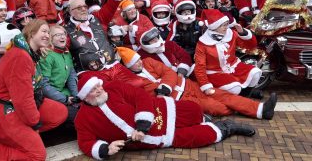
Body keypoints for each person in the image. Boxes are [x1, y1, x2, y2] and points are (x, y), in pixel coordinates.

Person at [74, 75, 256, 159]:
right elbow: (85, 142)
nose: (99, 91)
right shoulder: (82, 119)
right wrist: (105, 149)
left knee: (192, 109)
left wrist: (142, 124)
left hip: (162, 112)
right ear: (85, 96)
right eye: (93, 90)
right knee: (200, 137)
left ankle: (205, 119)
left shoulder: (114, 87)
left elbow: (140, 97)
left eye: (98, 86)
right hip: (155, 139)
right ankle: (228, 128)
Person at [0, 20, 68, 160]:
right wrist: (34, 123)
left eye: (48, 32)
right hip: (2, 111)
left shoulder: (29, 53)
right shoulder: (21, 56)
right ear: (31, 33)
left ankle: (24, 138)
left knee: (59, 112)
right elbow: (23, 99)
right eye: (43, 31)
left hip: (16, 106)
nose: (47, 35)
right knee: (37, 155)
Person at [117, 46, 277, 119]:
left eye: (137, 60)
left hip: (188, 85)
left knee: (221, 94)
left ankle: (261, 109)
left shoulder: (148, 61)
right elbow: (150, 92)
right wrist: (163, 88)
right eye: (134, 63)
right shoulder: (133, 80)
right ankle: (244, 109)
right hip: (180, 99)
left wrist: (164, 86)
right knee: (217, 107)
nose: (139, 63)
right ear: (129, 66)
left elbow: (169, 73)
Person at [65, 0, 127, 72]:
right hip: (90, 73)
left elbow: (112, 5)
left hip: (113, 66)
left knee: (137, 83)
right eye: (79, 8)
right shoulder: (67, 30)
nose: (83, 9)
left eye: (85, 6)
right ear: (71, 12)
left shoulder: (98, 18)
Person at [194, 9, 262, 98]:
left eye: (227, 24)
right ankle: (238, 99)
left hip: (234, 67)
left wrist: (242, 33)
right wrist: (205, 85)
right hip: (215, 73)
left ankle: (245, 96)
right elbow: (199, 67)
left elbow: (250, 46)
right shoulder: (203, 43)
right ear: (215, 27)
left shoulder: (231, 33)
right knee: (235, 88)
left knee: (255, 73)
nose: (226, 27)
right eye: (223, 25)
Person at [40, 25, 78, 125]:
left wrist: (76, 96)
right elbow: (44, 85)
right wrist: (64, 99)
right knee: (76, 116)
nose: (62, 37)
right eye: (58, 35)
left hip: (64, 93)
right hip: (50, 97)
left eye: (63, 34)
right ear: (50, 39)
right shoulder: (47, 55)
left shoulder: (66, 52)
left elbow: (71, 76)